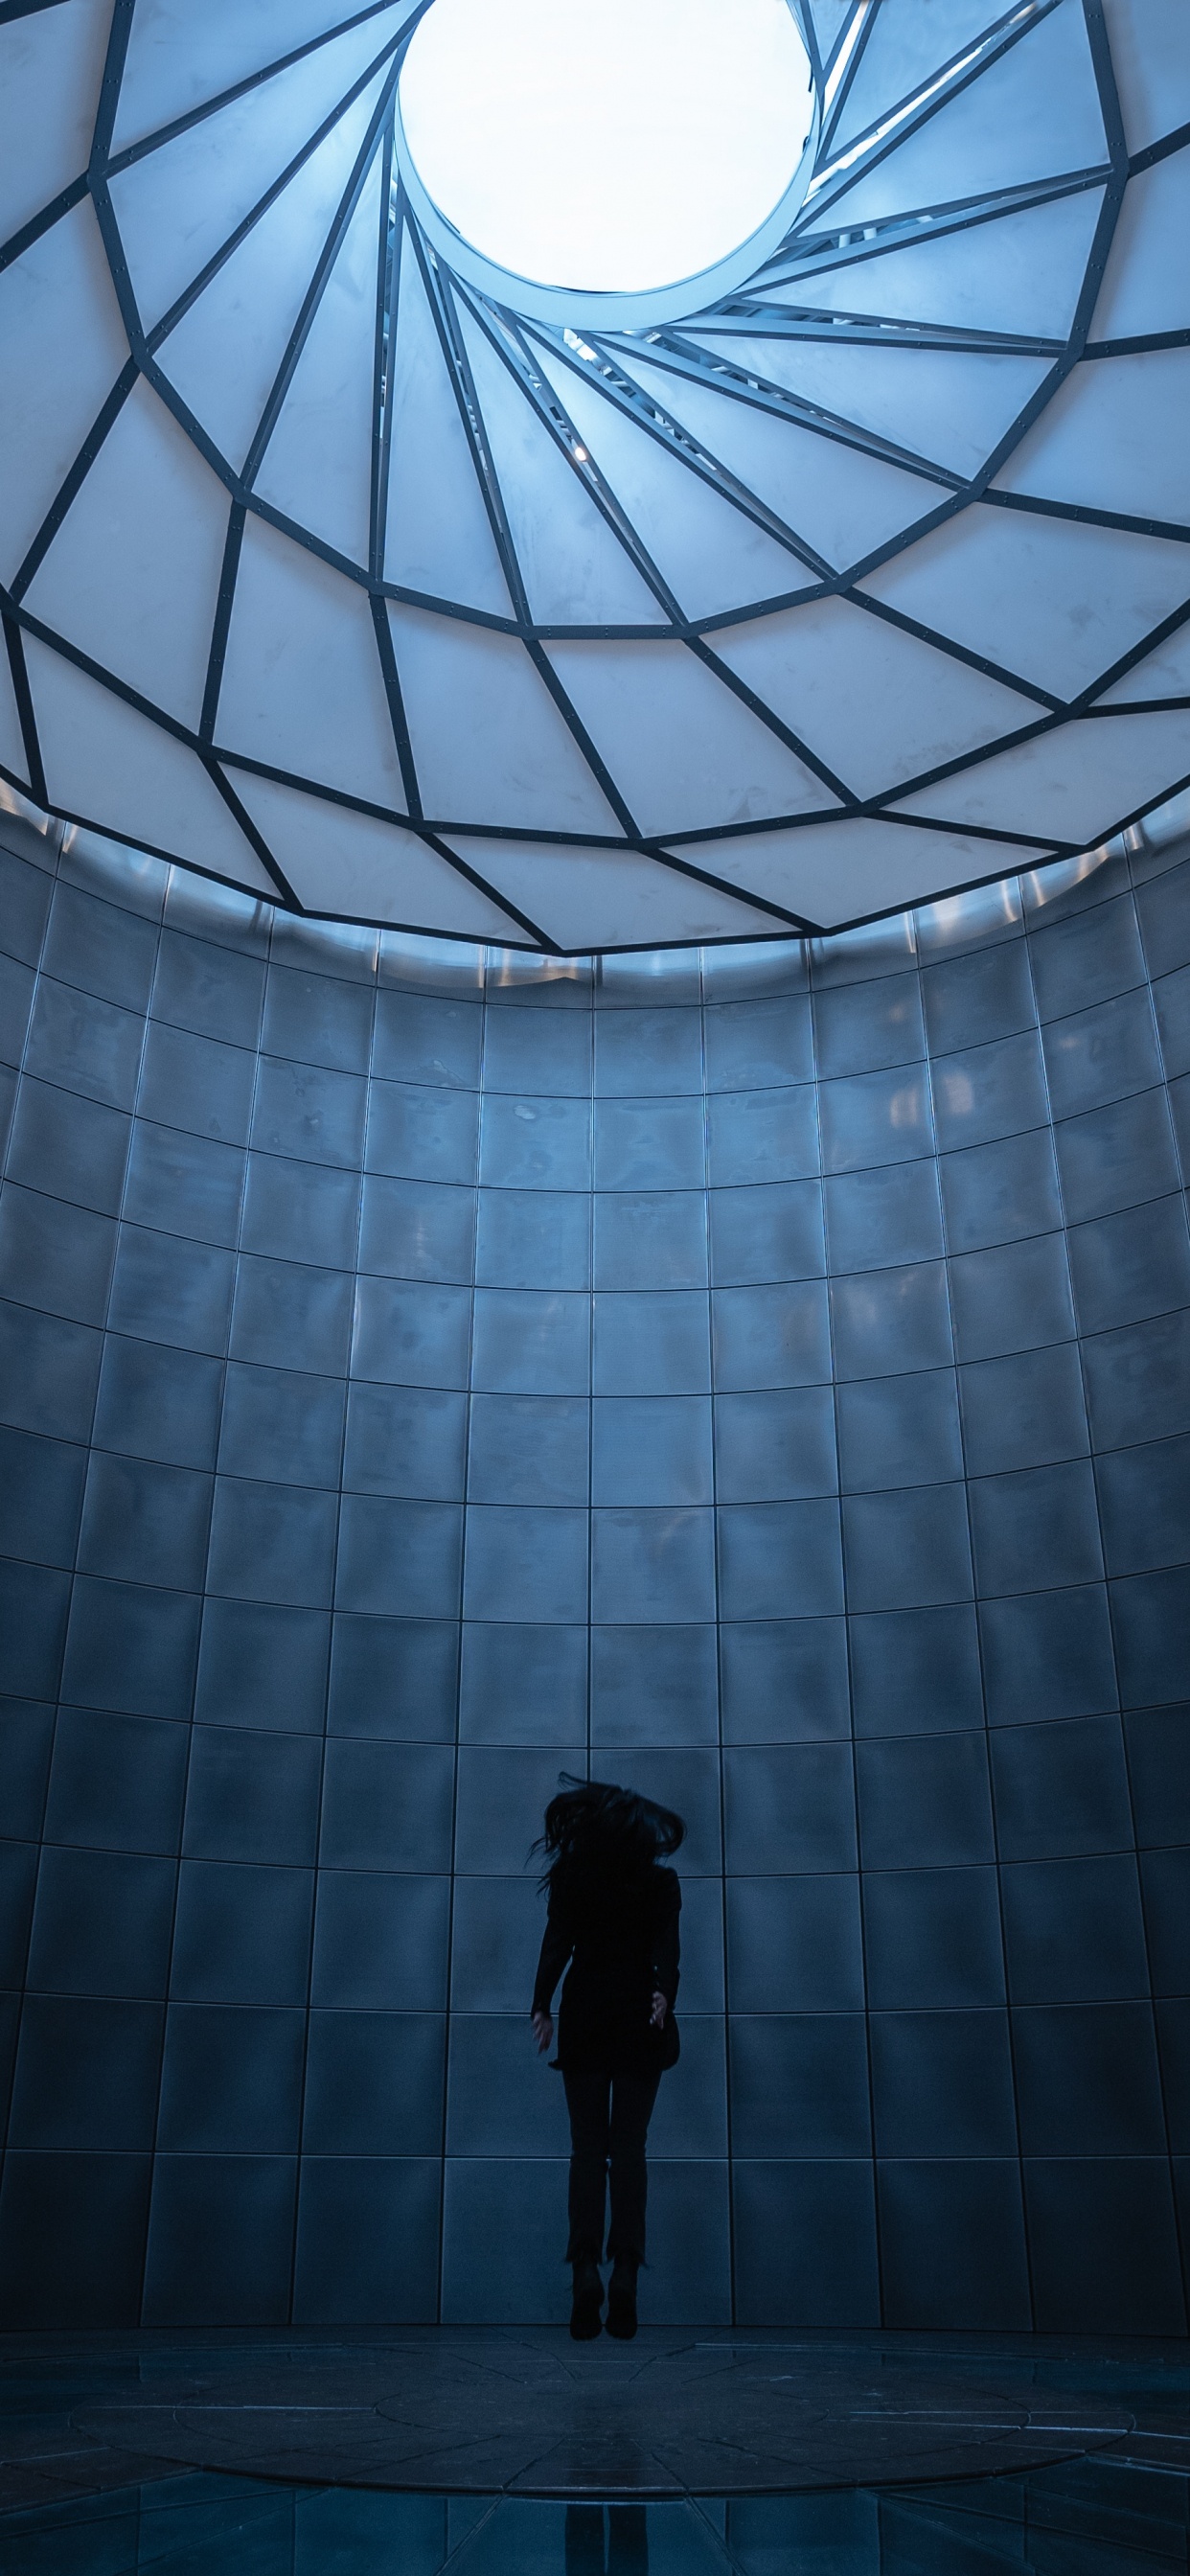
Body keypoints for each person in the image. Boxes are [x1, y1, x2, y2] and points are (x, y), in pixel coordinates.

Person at [531, 1774, 684, 2341]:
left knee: (588, 2149)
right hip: (640, 2017)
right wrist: (664, 1992)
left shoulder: (574, 1877)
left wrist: (541, 2004)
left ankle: (583, 2271)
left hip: (587, 2017)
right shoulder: (659, 1882)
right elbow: (667, 1950)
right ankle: (625, 2274)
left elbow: (557, 1945)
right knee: (630, 2149)